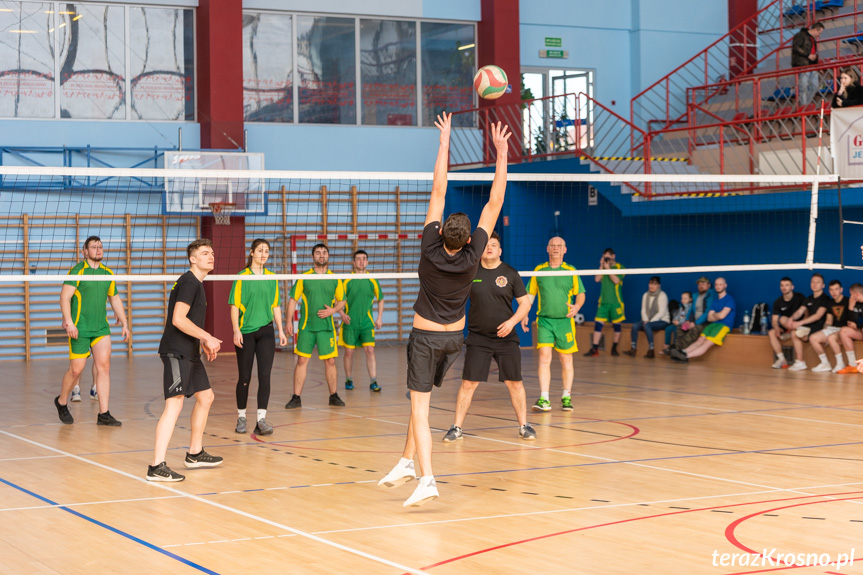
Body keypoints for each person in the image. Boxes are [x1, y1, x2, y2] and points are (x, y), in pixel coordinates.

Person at [377, 114, 510, 508]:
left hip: (425, 339)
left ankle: (428, 478)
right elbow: (495, 200)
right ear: (470, 239)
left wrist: (443, 142)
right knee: (418, 400)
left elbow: (439, 187)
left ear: (438, 233)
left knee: (420, 407)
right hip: (454, 340)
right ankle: (404, 462)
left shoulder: (428, 249)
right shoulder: (473, 257)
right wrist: (501, 153)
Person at [442, 231, 535, 442]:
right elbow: (453, 298)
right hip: (478, 339)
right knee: (468, 383)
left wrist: (512, 322)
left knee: (515, 383)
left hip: (506, 338)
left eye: (493, 244)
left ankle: (524, 425)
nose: (490, 247)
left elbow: (525, 304)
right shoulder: (471, 272)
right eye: (486, 245)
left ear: (500, 250)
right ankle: (456, 427)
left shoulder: (510, 273)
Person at [147, 238, 224, 482]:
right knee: (175, 404)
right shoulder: (189, 282)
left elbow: (186, 321)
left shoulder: (197, 285)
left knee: (206, 397)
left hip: (190, 352)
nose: (210, 256)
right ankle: (156, 466)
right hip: (176, 352)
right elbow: (178, 319)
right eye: (204, 253)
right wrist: (207, 336)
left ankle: (195, 453)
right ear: (193, 258)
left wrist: (201, 341)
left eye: (212, 252)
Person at [54, 235, 129, 426]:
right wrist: (69, 322)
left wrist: (125, 323)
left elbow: (115, 298)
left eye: (101, 246)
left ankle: (104, 413)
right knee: (76, 370)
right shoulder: (77, 271)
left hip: (101, 328)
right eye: (94, 247)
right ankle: (62, 402)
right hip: (80, 328)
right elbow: (64, 297)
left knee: (104, 368)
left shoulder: (107, 273)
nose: (98, 249)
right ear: (84, 251)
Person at [229, 239, 288, 436]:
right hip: (246, 332)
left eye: (267, 251)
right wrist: (236, 330)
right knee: (244, 377)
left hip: (266, 332)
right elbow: (234, 306)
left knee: (265, 376)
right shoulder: (242, 277)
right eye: (260, 250)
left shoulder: (272, 277)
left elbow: (276, 306)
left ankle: (261, 420)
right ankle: (242, 417)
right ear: (252, 252)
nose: (264, 254)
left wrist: (280, 330)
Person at [521, 236, 585, 412]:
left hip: (565, 322)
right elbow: (530, 295)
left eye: (559, 246)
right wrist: (525, 312)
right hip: (544, 321)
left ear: (565, 250)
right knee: (544, 358)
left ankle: (566, 396)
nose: (556, 248)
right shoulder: (539, 270)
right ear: (547, 249)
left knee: (566, 360)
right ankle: (544, 398)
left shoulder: (571, 271)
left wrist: (577, 306)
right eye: (553, 245)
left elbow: (581, 293)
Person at [285, 244, 347, 409]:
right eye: (318, 253)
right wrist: (288, 321)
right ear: (313, 257)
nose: (321, 255)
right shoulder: (304, 277)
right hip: (307, 327)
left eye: (324, 253)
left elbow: (342, 300)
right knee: (302, 360)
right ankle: (296, 397)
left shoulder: (335, 278)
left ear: (328, 256)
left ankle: (333, 396)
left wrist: (333, 310)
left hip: (326, 327)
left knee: (331, 361)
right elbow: (293, 300)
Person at [338, 249, 384, 392]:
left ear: (367, 262)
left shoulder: (372, 280)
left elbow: (380, 299)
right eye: (358, 259)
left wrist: (379, 318)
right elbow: (337, 300)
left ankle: (373, 381)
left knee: (370, 350)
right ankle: (348, 379)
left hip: (366, 322)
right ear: (354, 262)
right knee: (349, 352)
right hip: (349, 322)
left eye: (364, 258)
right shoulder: (346, 280)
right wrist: (341, 313)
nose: (361, 261)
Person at [669, 277, 735, 362]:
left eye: (720, 284)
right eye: (716, 284)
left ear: (725, 285)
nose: (718, 286)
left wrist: (714, 315)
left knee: (706, 343)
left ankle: (686, 356)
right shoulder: (716, 301)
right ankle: (682, 352)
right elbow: (709, 317)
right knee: (700, 340)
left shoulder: (729, 299)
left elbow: (721, 316)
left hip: (723, 326)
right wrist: (716, 315)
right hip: (713, 324)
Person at [585, 248, 624, 357]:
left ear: (613, 256)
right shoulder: (603, 268)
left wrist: (608, 268)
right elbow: (597, 279)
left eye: (608, 257)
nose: (607, 258)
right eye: (604, 256)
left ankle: (614, 348)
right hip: (603, 302)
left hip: (616, 302)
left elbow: (616, 280)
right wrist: (602, 266)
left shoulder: (619, 267)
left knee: (617, 326)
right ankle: (594, 349)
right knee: (598, 325)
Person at [787, 273, 831, 371]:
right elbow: (800, 311)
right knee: (794, 333)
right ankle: (800, 362)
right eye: (813, 282)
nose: (815, 284)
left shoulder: (825, 299)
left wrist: (800, 323)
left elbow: (818, 316)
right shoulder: (809, 299)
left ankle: (825, 363)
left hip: (820, 326)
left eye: (818, 282)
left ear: (823, 285)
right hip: (809, 327)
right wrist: (791, 318)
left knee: (810, 337)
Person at [807, 280, 849, 373]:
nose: (834, 292)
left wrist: (840, 335)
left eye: (836, 289)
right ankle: (825, 363)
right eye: (831, 290)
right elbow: (828, 321)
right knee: (813, 337)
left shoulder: (847, 301)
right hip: (832, 328)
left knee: (831, 338)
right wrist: (824, 332)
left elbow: (851, 322)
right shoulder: (829, 303)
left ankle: (840, 363)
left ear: (841, 290)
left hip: (844, 329)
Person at [625, 276, 669, 358]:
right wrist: (645, 320)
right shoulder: (645, 295)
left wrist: (649, 322)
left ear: (659, 286)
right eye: (650, 283)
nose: (652, 286)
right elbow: (643, 310)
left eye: (655, 284)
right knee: (635, 326)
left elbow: (661, 313)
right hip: (648, 321)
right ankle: (633, 349)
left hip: (662, 320)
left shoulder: (662, 295)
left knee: (647, 325)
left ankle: (651, 350)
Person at [768, 277, 806, 369]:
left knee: (783, 319)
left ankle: (799, 331)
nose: (784, 287)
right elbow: (774, 320)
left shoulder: (800, 297)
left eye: (787, 285)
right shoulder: (778, 302)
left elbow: (806, 313)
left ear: (792, 287)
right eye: (782, 285)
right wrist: (777, 328)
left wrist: (802, 324)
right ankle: (782, 360)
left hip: (800, 325)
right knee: (772, 332)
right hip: (787, 327)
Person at [672, 277, 716, 351]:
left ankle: (679, 350)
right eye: (699, 284)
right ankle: (677, 349)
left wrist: (695, 323)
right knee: (681, 328)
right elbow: (691, 309)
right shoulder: (695, 295)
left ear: (708, 285)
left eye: (703, 284)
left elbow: (707, 313)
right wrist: (688, 320)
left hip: (706, 323)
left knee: (695, 329)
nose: (700, 286)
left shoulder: (711, 295)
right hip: (694, 321)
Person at [791, 22, 824, 107]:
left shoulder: (813, 39)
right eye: (819, 33)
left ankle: (806, 105)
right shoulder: (801, 35)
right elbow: (796, 47)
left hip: (812, 65)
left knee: (815, 86)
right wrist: (807, 54)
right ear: (815, 29)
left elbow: (814, 53)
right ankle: (804, 106)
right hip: (803, 64)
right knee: (803, 87)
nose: (819, 35)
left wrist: (817, 66)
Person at [840, 283, 863, 374]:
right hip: (860, 330)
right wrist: (851, 306)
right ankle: (852, 365)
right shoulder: (855, 304)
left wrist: (857, 326)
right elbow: (850, 322)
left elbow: (856, 325)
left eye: (851, 294)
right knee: (844, 331)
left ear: (856, 294)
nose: (850, 296)